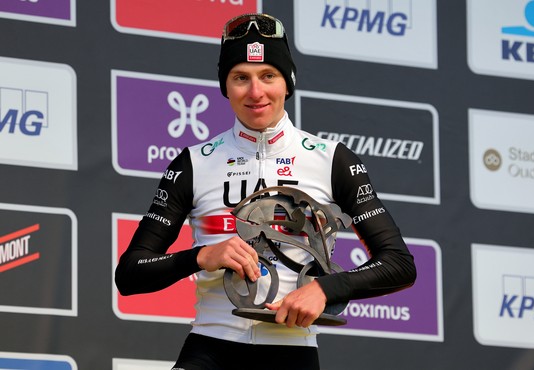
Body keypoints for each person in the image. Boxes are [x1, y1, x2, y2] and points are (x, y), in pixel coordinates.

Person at [115, 13, 416, 370]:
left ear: (288, 83)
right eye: (240, 77)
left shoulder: (331, 160)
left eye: (268, 76)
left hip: (292, 351)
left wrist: (325, 289)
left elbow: (399, 264)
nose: (256, 92)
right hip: (210, 346)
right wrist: (201, 256)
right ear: (225, 86)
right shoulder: (193, 163)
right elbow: (130, 274)